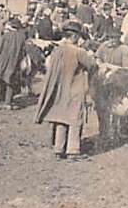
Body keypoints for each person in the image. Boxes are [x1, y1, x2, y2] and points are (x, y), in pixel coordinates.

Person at [35, 22, 96, 160]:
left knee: (61, 118)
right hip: (74, 88)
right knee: (75, 119)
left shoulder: (57, 50)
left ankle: (58, 148)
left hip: (60, 88)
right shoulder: (78, 52)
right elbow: (92, 66)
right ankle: (73, 150)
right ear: (74, 36)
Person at [0, 18, 27, 110]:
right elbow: (23, 52)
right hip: (14, 63)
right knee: (10, 82)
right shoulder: (21, 37)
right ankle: (8, 102)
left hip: (2, 62)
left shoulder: (6, 36)